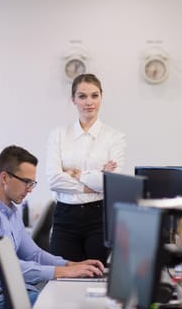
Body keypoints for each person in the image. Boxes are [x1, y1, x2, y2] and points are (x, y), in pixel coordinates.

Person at [0, 145, 104, 309]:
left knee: (76, 299)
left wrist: (71, 265)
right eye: (26, 182)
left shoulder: (10, 211)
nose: (30, 190)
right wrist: (62, 272)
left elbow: (34, 255)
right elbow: (8, 269)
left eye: (32, 183)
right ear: (5, 178)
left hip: (18, 294)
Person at [46, 73, 126, 265]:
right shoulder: (58, 135)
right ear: (73, 99)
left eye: (94, 95)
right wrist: (92, 182)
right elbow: (53, 180)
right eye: (82, 96)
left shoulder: (115, 137)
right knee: (62, 276)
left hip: (99, 218)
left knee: (95, 276)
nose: (89, 102)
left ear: (101, 97)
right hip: (65, 217)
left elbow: (112, 183)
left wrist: (75, 173)